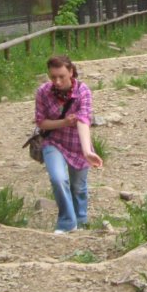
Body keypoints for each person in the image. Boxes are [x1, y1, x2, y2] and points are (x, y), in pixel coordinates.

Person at [34, 55, 104, 233]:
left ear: (71, 72)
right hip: (53, 142)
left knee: (78, 187)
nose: (57, 81)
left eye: (61, 76)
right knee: (58, 179)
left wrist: (87, 151)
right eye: (53, 77)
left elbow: (83, 120)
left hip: (77, 143)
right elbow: (41, 122)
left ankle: (81, 221)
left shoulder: (83, 91)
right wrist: (63, 122)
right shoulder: (43, 92)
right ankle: (67, 222)